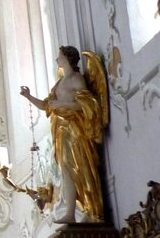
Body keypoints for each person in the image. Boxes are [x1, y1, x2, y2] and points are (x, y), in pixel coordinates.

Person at [19, 47, 105, 223]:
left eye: (59, 57)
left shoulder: (76, 79)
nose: (57, 60)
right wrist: (29, 97)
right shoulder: (59, 83)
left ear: (67, 58)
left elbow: (88, 104)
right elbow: (46, 105)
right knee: (65, 170)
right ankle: (72, 213)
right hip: (60, 131)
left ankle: (92, 208)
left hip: (74, 129)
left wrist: (64, 105)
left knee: (79, 168)